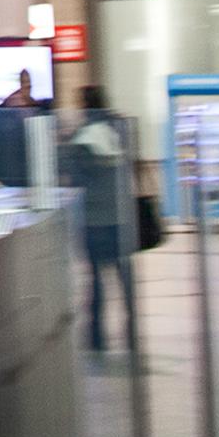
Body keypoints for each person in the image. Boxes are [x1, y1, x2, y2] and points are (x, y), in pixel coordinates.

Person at [65, 85, 133, 353]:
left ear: (85, 104)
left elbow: (75, 176)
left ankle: (96, 338)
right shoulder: (118, 129)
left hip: (94, 218)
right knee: (123, 277)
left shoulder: (84, 137)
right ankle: (132, 330)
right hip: (121, 215)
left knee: (95, 279)